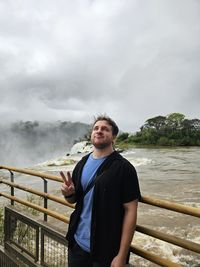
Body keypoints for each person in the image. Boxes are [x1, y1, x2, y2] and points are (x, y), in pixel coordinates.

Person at [60, 115, 141, 267]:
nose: (99, 131)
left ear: (113, 137)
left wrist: (121, 256)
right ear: (91, 134)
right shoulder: (82, 163)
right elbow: (74, 200)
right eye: (96, 128)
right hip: (77, 245)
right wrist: (68, 193)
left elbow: (131, 211)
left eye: (105, 129)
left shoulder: (124, 168)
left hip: (106, 251)